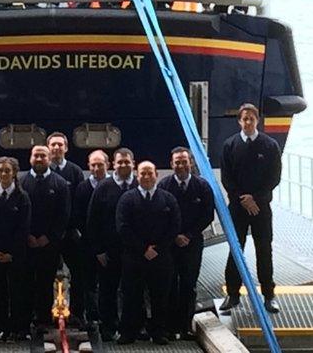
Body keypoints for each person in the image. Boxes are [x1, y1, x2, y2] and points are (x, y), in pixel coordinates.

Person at [219, 103, 282, 314]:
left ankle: (269, 294)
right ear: (239, 121)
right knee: (236, 250)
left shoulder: (270, 145)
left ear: (257, 121)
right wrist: (243, 199)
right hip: (237, 207)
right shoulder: (230, 145)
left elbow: (274, 178)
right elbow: (227, 178)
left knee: (264, 250)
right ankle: (233, 294)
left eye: (251, 119)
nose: (248, 122)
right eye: (244, 119)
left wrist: (255, 198)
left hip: (261, 208)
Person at [116, 161, 180, 345]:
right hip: (134, 257)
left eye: (149, 173)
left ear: (156, 175)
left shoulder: (168, 199)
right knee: (131, 296)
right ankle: (129, 332)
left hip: (161, 257)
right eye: (142, 173)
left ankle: (159, 332)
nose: (146, 177)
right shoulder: (127, 199)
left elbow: (174, 226)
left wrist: (157, 249)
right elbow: (122, 227)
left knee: (160, 296)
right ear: (137, 176)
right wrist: (143, 249)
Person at [158, 147, 215, 340]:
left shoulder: (202, 187)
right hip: (170, 243)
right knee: (169, 284)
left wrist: (189, 235)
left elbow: (208, 215)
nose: (181, 165)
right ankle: (169, 326)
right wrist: (174, 236)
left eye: (184, 161)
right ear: (171, 164)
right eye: (177, 162)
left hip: (192, 243)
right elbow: (160, 215)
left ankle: (186, 326)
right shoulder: (164, 185)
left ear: (190, 162)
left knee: (189, 285)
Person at [86, 147, 138, 341]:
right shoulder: (103, 187)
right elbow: (92, 220)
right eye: (120, 162)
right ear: (113, 165)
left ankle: (131, 328)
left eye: (127, 162)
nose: (124, 165)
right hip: (109, 250)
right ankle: (108, 328)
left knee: (133, 290)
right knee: (107, 290)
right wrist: (98, 250)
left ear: (133, 163)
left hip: (134, 250)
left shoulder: (140, 184)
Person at [19, 145, 72, 330]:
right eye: (36, 156)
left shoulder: (60, 183)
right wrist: (27, 236)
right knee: (24, 282)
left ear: (49, 158)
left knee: (45, 282)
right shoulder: (20, 181)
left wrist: (48, 237)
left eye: (43, 156)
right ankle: (24, 321)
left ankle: (43, 319)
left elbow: (64, 214)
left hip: (49, 244)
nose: (39, 159)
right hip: (26, 243)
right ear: (30, 158)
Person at [0, 156, 32, 341]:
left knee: (18, 292)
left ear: (14, 173)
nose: (4, 174)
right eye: (1, 170)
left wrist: (12, 253)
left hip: (15, 255)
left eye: (7, 171)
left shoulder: (22, 197)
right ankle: (1, 328)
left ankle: (19, 327)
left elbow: (23, 228)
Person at [46, 132, 86, 323]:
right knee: (45, 274)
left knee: (79, 274)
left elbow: (79, 202)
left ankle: (77, 314)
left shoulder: (75, 172)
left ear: (66, 148)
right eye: (53, 145)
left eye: (60, 145)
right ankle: (45, 314)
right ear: (48, 148)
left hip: (70, 233)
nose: (56, 148)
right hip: (49, 236)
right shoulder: (42, 172)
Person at [71, 149, 109, 325]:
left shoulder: (113, 186)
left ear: (107, 165)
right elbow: (78, 215)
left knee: (109, 283)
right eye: (93, 165)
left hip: (110, 244)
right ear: (89, 166)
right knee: (87, 282)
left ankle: (108, 317)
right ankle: (89, 316)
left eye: (100, 164)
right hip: (87, 244)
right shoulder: (82, 187)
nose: (96, 168)